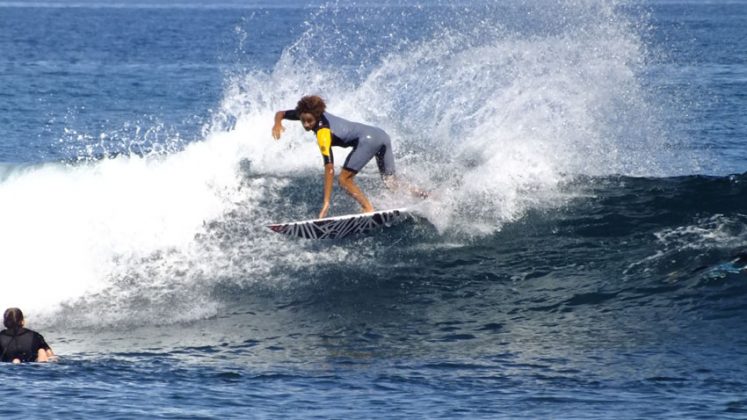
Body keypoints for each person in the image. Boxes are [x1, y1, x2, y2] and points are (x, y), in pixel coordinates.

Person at [273, 95, 425, 219]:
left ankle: (367, 208)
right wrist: (277, 124)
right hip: (381, 135)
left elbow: (329, 168)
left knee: (344, 180)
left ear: (317, 117)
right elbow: (281, 113)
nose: (306, 125)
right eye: (303, 121)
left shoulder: (323, 133)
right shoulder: (306, 113)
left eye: (310, 121)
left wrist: (326, 202)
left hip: (369, 140)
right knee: (391, 182)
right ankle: (426, 196)